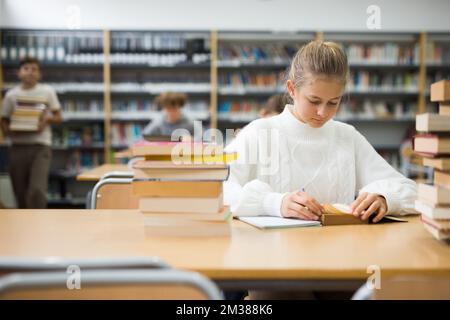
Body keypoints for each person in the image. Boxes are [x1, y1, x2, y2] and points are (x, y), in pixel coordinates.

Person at [224, 40, 417, 224]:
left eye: (333, 102)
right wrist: (273, 203)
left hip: (338, 253)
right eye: (314, 101)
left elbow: (410, 190)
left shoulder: (347, 137)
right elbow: (213, 188)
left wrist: (385, 199)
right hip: (275, 254)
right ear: (292, 89)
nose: (323, 113)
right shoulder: (259, 133)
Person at [1, 57, 62, 208]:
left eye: (34, 69)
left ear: (39, 74)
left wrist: (45, 121)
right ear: (19, 73)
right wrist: (9, 131)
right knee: (19, 190)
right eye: (26, 69)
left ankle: (39, 224)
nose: (30, 72)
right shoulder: (11, 95)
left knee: (37, 189)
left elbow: (57, 116)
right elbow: (4, 118)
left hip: (40, 147)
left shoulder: (47, 92)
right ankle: (24, 225)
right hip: (17, 147)